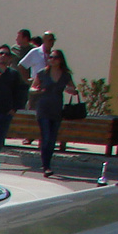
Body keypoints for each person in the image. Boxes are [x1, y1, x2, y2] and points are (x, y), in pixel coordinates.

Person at [30, 47, 79, 176]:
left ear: (60, 60)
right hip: (43, 108)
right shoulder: (42, 73)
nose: (52, 60)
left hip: (57, 109)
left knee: (52, 139)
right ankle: (46, 166)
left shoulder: (65, 75)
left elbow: (73, 88)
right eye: (50, 57)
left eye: (55, 57)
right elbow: (32, 88)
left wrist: (71, 90)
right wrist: (38, 90)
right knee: (45, 137)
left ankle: (47, 163)